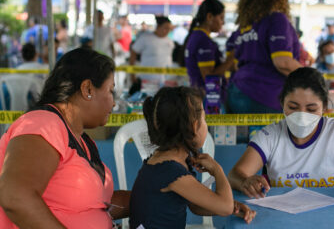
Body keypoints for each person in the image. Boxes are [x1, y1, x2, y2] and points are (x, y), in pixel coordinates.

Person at [0, 48, 130, 228]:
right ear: (88, 89)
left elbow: (91, 206)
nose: (113, 102)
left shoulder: (80, 139)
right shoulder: (43, 123)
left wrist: (148, 195)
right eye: (110, 91)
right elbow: (16, 196)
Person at [229, 67, 334, 198]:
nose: (302, 116)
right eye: (293, 107)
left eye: (311, 109)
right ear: (282, 103)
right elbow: (235, 174)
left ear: (325, 107)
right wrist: (246, 181)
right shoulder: (270, 136)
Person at [129, 86, 256, 228]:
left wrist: (234, 207)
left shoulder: (167, 161)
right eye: (204, 120)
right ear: (195, 127)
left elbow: (195, 205)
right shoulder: (171, 171)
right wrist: (217, 169)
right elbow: (224, 207)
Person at [227, 0, 302, 114]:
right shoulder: (277, 19)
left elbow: (235, 64)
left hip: (236, 93)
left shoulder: (244, 27)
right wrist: (312, 77)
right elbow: (283, 63)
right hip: (266, 95)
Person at [183, 0, 234, 95]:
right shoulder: (203, 40)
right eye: (221, 18)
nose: (223, 23)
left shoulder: (196, 35)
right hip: (209, 98)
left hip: (201, 95)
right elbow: (209, 76)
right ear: (209, 16)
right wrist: (231, 59)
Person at [130, 15, 175, 88]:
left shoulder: (169, 41)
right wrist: (132, 74)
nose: (167, 31)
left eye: (169, 29)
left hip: (165, 80)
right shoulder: (145, 38)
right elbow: (133, 53)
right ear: (158, 26)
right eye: (165, 28)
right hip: (147, 80)